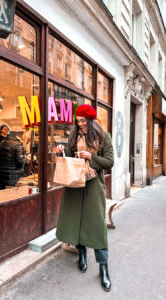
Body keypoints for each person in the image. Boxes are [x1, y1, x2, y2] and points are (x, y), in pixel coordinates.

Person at [56, 104, 114, 292]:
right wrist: (60, 151)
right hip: (75, 185)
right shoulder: (73, 136)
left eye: (83, 121)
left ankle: (103, 268)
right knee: (77, 222)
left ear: (90, 120)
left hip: (93, 186)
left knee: (97, 226)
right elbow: (69, 156)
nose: (80, 124)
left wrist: (91, 156)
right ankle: (81, 253)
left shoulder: (104, 137)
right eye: (78, 121)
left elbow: (110, 162)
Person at [0, 124, 25, 189]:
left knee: (2, 190)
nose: (7, 130)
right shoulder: (18, 144)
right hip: (12, 173)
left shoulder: (1, 143)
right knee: (11, 192)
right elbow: (20, 160)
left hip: (2, 170)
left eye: (7, 129)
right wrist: (21, 167)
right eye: (5, 129)